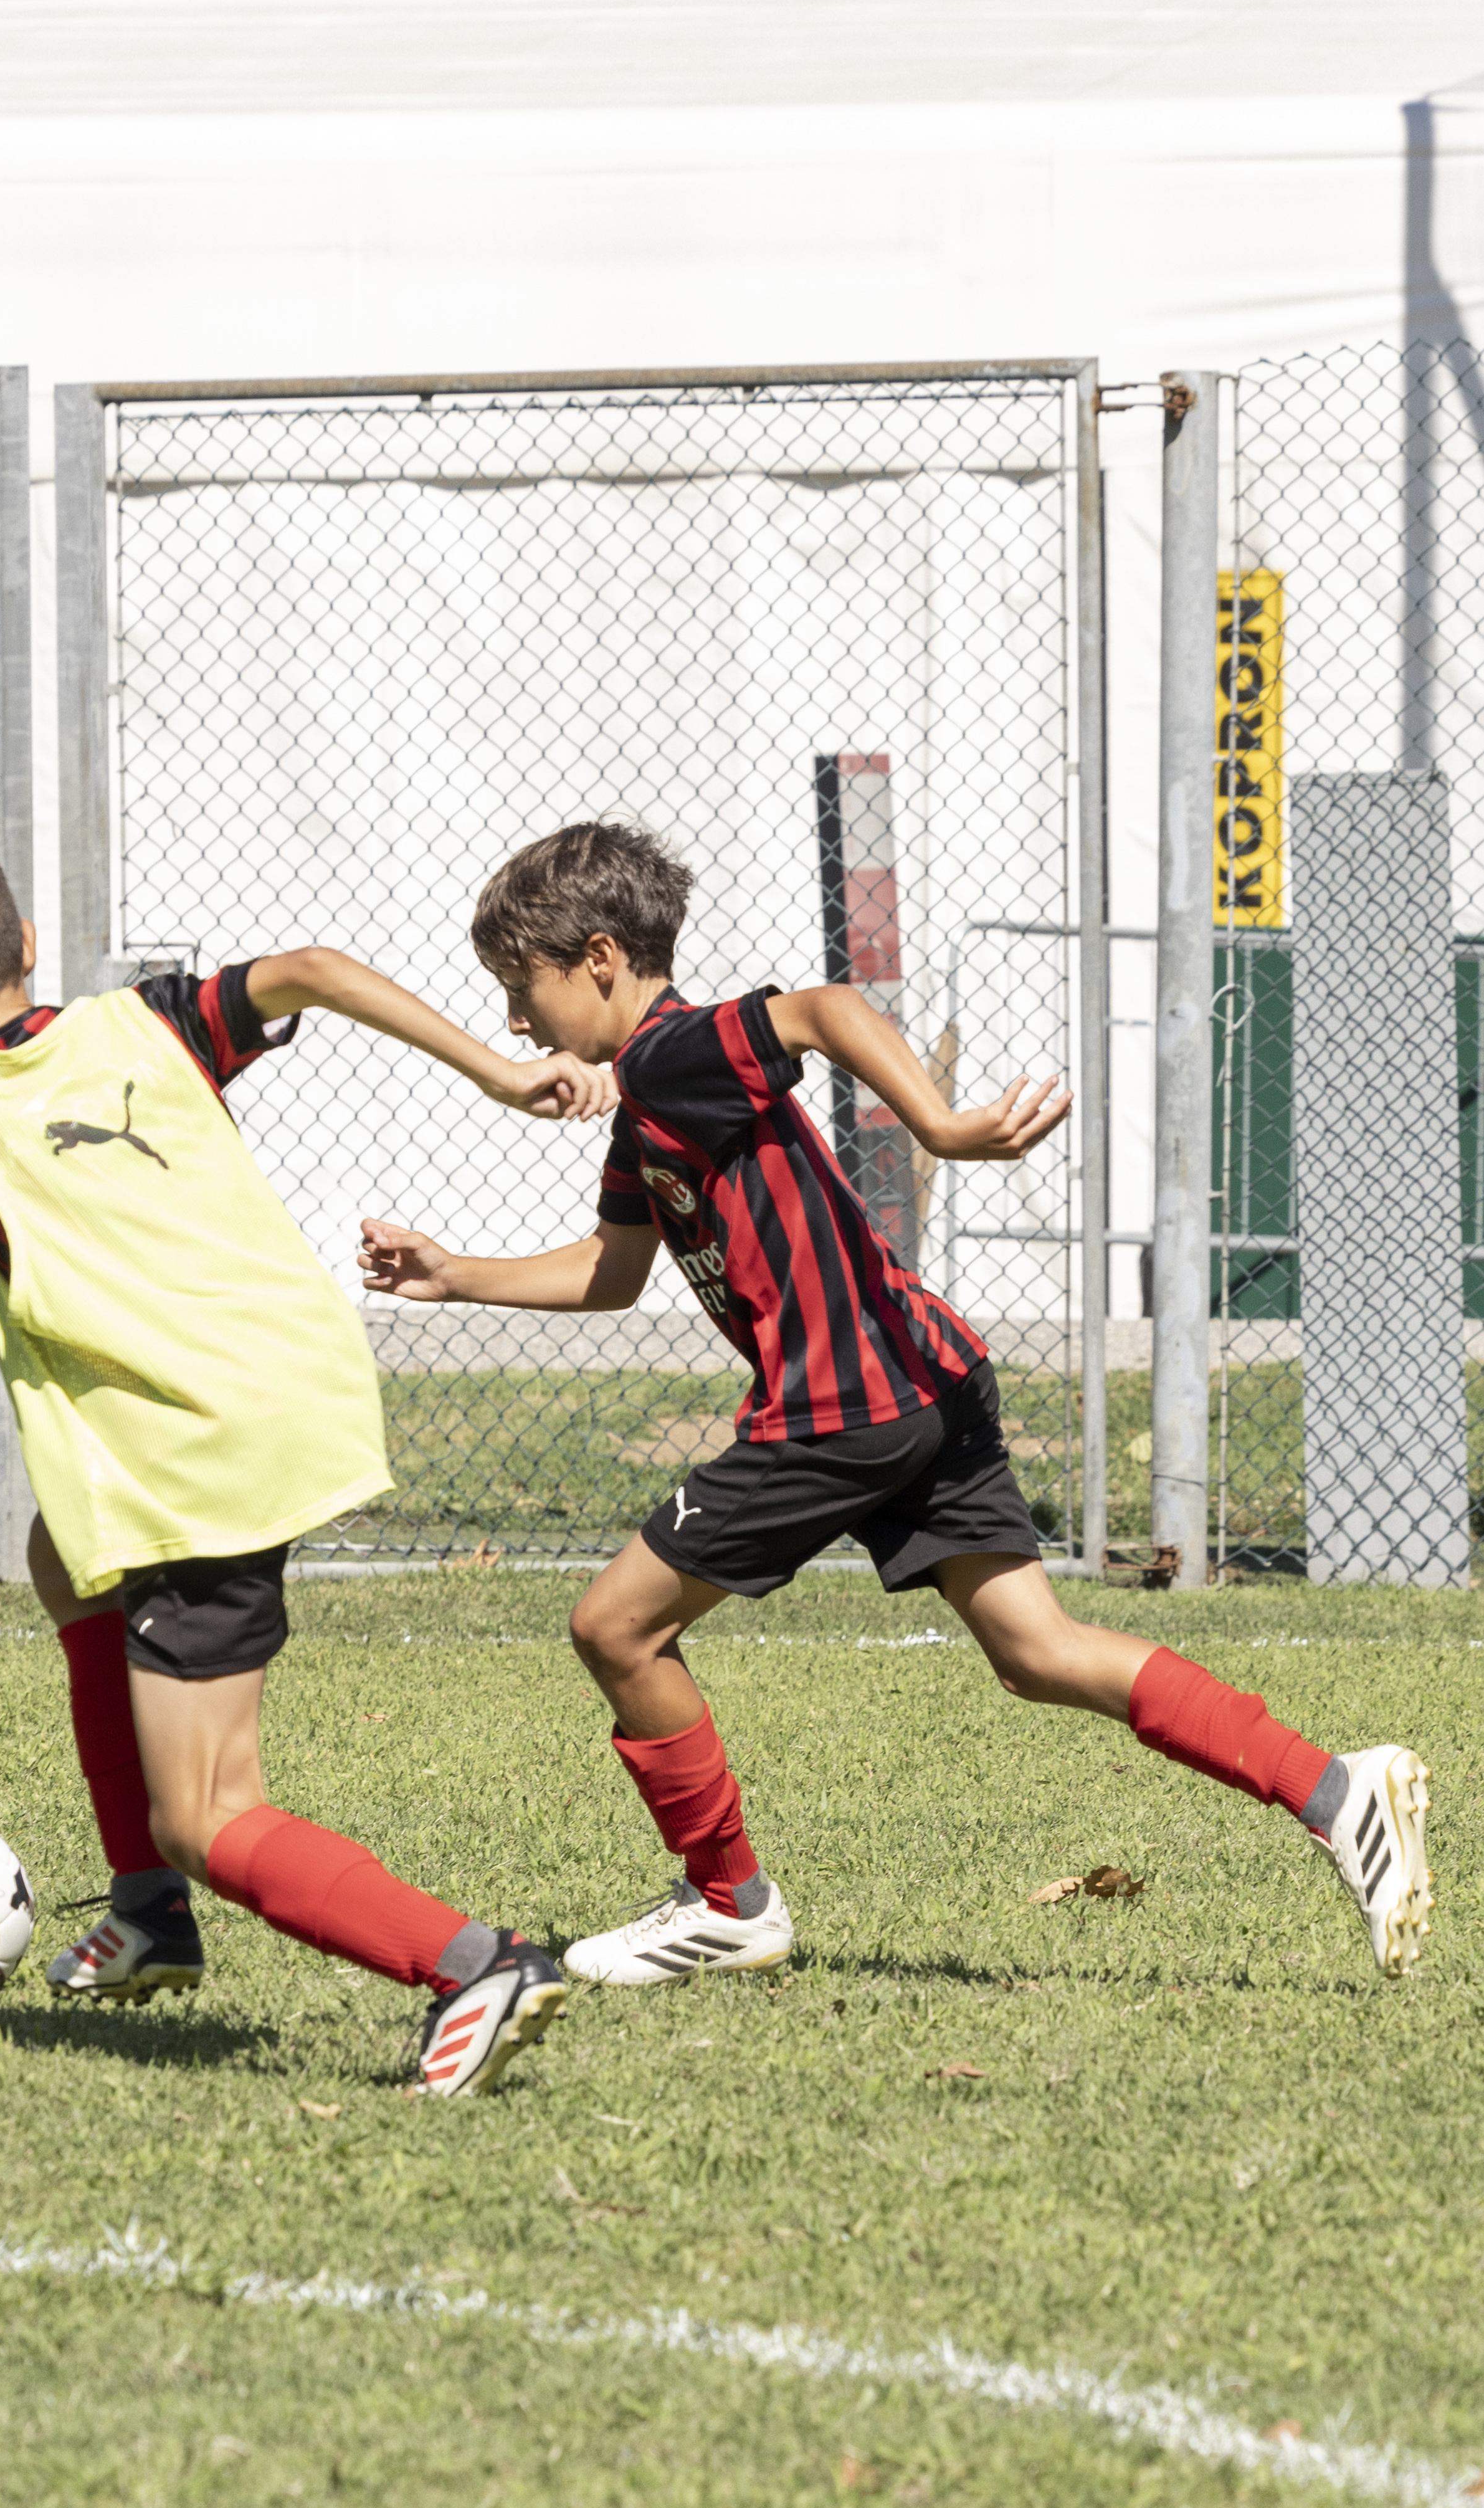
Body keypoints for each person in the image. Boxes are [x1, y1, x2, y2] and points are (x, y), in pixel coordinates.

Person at [358, 821, 1432, 1983]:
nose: (515, 1020)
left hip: (841, 1408)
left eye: (521, 986)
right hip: (923, 1376)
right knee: (1038, 1650)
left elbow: (822, 1010)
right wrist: (453, 1272)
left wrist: (941, 1126)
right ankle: (1335, 1788)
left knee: (613, 1626)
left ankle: (727, 1902)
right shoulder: (648, 1109)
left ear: (601, 959)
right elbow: (611, 1272)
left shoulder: (670, 1056)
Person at [0, 828, 604, 2092]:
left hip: (198, 1453)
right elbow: (315, 966)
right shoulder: (149, 1022)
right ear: (25, 946)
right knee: (60, 1555)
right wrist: (500, 1073)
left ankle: (476, 1965)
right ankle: (146, 1913)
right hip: (295, 1384)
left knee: (209, 1811)